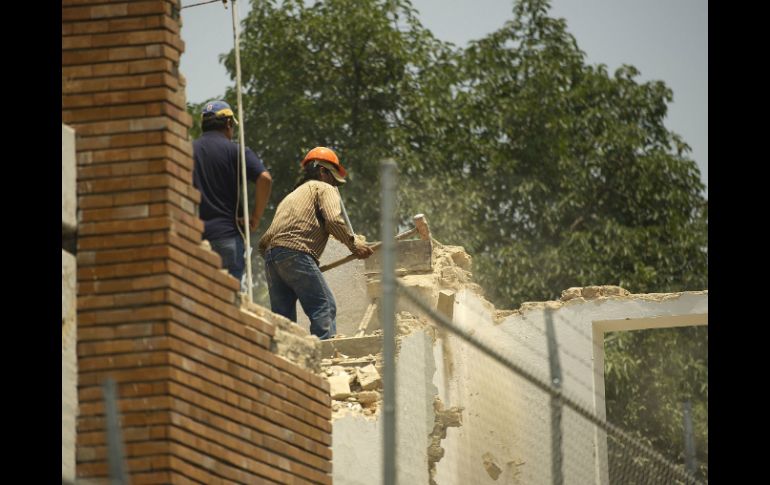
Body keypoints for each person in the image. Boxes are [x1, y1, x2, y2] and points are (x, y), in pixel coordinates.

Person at [258, 147, 374, 340]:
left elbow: (270, 239)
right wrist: (354, 245)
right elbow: (333, 221)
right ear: (322, 171)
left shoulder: (292, 196)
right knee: (325, 305)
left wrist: (282, 262)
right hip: (296, 252)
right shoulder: (324, 188)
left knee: (282, 321)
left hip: (271, 257)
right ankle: (324, 354)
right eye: (333, 179)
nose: (334, 185)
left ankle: (283, 357)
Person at [192, 100, 272, 282]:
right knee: (229, 296)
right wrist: (255, 218)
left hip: (195, 239)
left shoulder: (187, 150)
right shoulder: (236, 151)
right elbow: (265, 179)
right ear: (228, 123)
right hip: (227, 237)